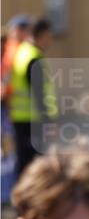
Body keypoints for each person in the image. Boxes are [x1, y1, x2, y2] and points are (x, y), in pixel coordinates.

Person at [8, 18, 58, 178]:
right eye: (49, 35)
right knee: (33, 163)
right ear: (42, 35)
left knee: (24, 161)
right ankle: (30, 199)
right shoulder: (33, 56)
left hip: (21, 117)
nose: (50, 40)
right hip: (32, 119)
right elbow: (39, 92)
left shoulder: (23, 51)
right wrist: (48, 121)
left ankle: (23, 198)